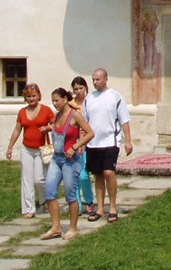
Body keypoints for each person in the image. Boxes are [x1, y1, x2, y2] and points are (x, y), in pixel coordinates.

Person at [40, 87, 94, 240]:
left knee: (71, 194)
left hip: (71, 161)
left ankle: (73, 228)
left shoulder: (75, 115)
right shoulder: (57, 116)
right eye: (53, 101)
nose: (54, 104)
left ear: (65, 99)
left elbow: (90, 133)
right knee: (49, 191)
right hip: (56, 159)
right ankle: (56, 227)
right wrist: (47, 128)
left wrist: (75, 147)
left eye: (57, 100)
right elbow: (57, 130)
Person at [83, 67, 133, 223]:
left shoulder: (115, 97)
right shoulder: (89, 98)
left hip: (110, 141)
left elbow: (124, 119)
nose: (95, 82)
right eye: (93, 79)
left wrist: (128, 140)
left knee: (109, 173)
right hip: (93, 143)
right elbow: (84, 122)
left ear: (105, 79)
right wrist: (82, 141)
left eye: (97, 79)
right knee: (97, 174)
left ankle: (112, 207)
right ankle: (99, 208)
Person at [5, 83, 55, 218]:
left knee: (39, 179)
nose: (31, 99)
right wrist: (10, 147)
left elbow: (56, 124)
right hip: (27, 149)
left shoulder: (46, 110)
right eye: (28, 97)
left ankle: (44, 200)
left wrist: (48, 128)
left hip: (41, 149)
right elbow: (17, 130)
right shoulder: (22, 112)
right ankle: (29, 209)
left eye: (34, 96)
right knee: (26, 179)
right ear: (25, 98)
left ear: (39, 96)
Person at [69, 76, 98, 218]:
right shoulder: (70, 105)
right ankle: (77, 205)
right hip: (72, 142)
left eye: (81, 88)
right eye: (76, 89)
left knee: (83, 175)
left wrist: (83, 142)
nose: (79, 91)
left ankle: (89, 201)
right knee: (73, 176)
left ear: (86, 88)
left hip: (88, 141)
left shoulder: (91, 101)